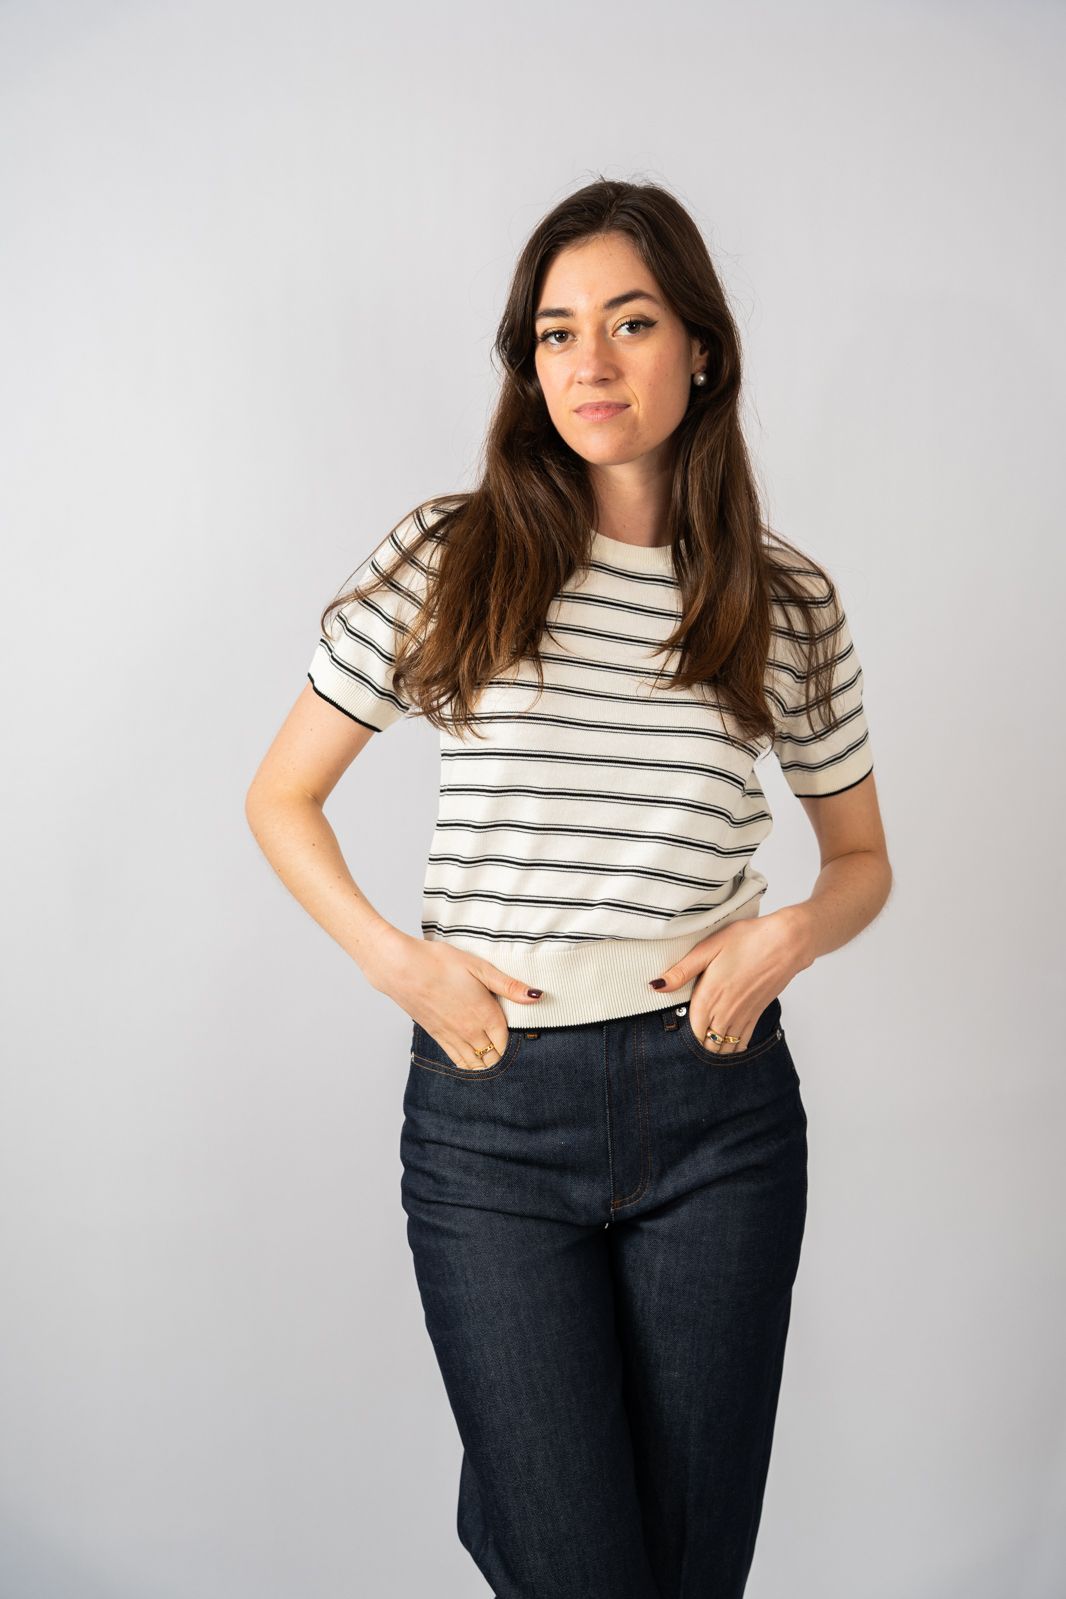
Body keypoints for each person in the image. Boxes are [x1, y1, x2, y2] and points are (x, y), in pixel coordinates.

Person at [245, 177, 893, 1599]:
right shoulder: (453, 556)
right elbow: (280, 797)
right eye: (555, 332)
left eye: (630, 322)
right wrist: (399, 963)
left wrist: (785, 935)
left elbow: (861, 865)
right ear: (526, 363)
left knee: (688, 1569)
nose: (589, 362)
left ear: (701, 349)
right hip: (492, 1120)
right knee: (574, 1562)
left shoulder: (783, 601)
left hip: (717, 1111)